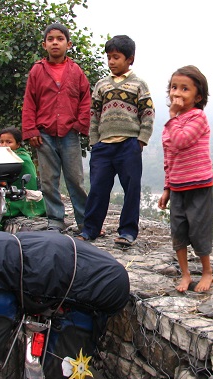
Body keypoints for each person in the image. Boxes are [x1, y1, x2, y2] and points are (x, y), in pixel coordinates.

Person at [77, 35, 155, 246]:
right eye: (109, 58)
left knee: (131, 189)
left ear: (130, 59)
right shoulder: (102, 85)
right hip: (103, 146)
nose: (112, 62)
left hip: (129, 145)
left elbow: (147, 112)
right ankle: (90, 229)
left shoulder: (139, 84)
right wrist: (95, 141)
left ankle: (127, 232)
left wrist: (141, 140)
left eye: (116, 57)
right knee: (98, 189)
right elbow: (94, 114)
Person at [22, 22, 91, 233]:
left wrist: (80, 125)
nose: (55, 43)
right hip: (44, 135)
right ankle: (55, 220)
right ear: (44, 45)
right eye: (50, 39)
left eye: (60, 39)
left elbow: (85, 100)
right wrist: (31, 130)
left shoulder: (76, 71)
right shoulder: (37, 71)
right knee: (49, 180)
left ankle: (84, 221)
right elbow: (29, 102)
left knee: (75, 179)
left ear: (68, 44)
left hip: (69, 133)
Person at [157, 66, 213, 293]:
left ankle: (207, 271)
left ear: (197, 96)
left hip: (199, 185)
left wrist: (172, 117)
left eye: (184, 89)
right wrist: (167, 187)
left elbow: (180, 141)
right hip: (178, 185)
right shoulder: (169, 125)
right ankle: (185, 273)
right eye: (173, 87)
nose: (176, 93)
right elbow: (169, 156)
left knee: (199, 230)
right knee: (178, 231)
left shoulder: (198, 117)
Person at [0, 127, 46, 218]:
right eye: (1, 142)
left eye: (9, 142)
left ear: (18, 144)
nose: (4, 145)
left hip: (23, 198)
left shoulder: (22, 159)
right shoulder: (2, 156)